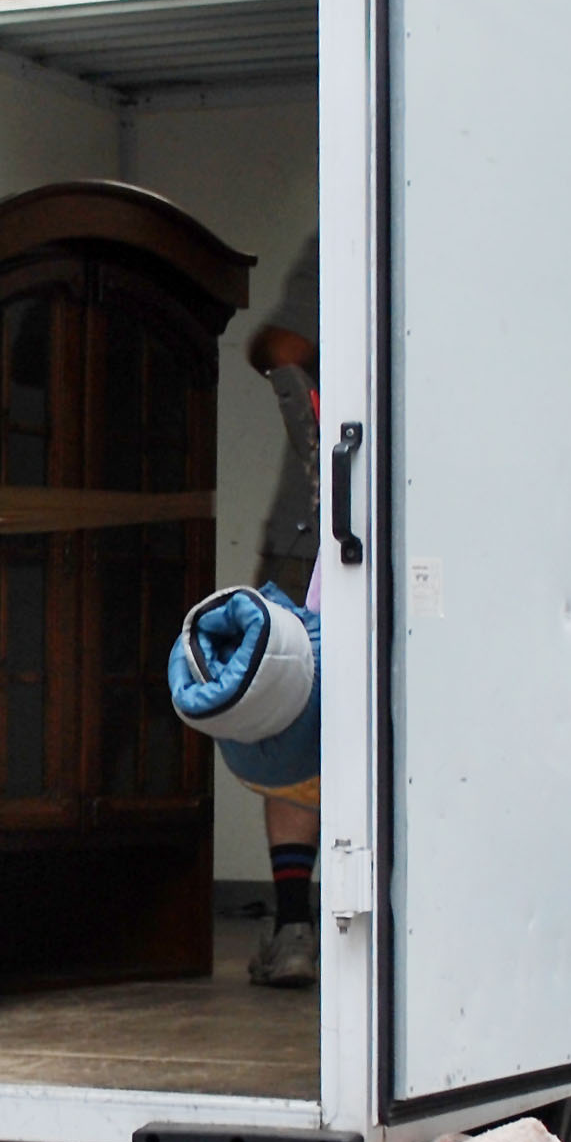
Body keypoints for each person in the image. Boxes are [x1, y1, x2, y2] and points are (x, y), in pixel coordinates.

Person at [246, 236, 320, 988]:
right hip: (420, 532)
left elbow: (286, 343)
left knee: (287, 718)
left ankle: (295, 926)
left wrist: (268, 351)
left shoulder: (347, 230)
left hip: (312, 537)